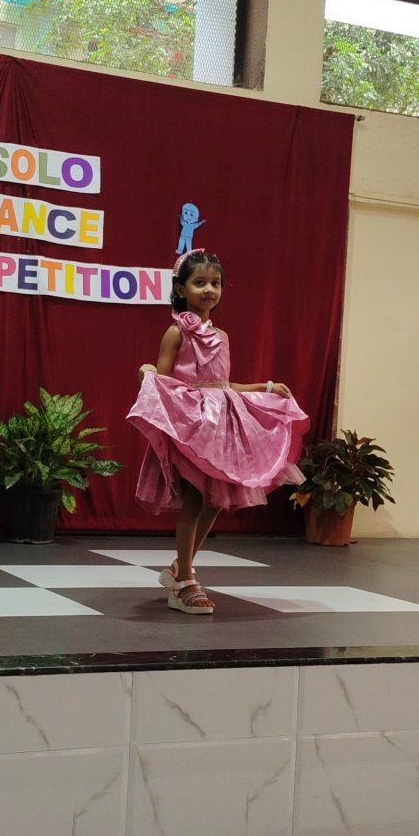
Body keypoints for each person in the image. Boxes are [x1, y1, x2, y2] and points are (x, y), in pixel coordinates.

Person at [127, 250, 309, 613]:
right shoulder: (176, 332)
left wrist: (264, 386)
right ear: (181, 289)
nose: (209, 289)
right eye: (199, 282)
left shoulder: (222, 336)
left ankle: (180, 567)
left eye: (216, 283)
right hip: (192, 426)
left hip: (220, 425)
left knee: (216, 500)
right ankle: (184, 581)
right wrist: (148, 373)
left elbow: (222, 385)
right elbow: (165, 380)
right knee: (195, 499)